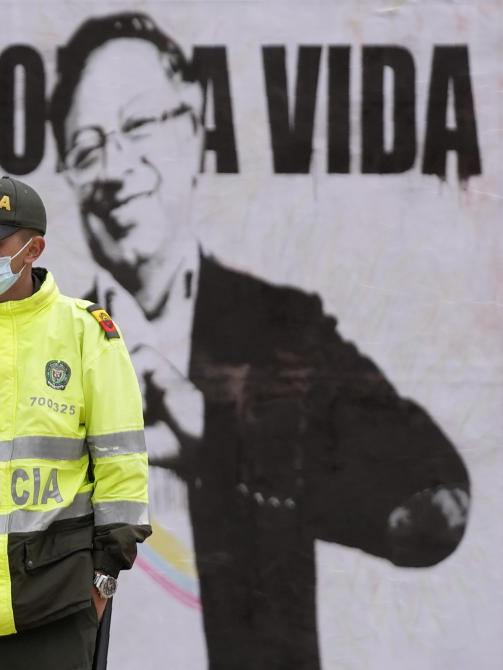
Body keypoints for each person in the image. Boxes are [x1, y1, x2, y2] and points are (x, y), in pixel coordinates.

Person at [49, 12, 472, 669]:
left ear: (192, 127)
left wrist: (220, 436)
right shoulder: (36, 352)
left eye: (137, 126)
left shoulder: (280, 331)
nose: (113, 167)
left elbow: (430, 494)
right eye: (85, 147)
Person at [0, 176, 151, 670]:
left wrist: (102, 581)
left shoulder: (86, 334)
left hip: (55, 603)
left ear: (33, 248)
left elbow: (122, 471)